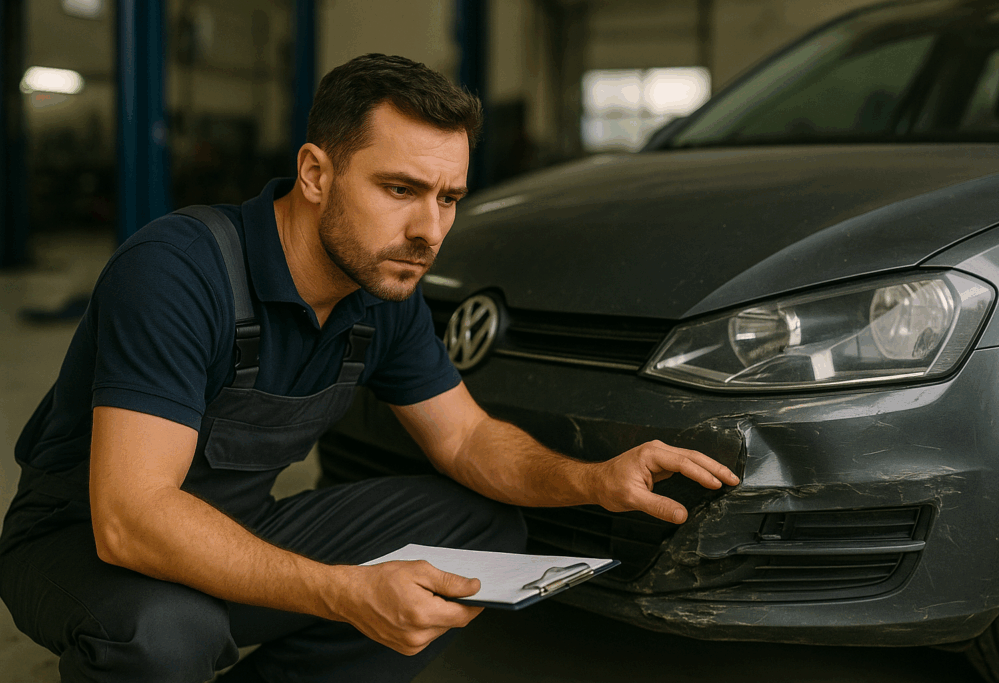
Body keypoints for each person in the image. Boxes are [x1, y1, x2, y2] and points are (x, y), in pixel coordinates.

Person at [0, 54, 740, 683]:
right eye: (400, 189)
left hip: (239, 526)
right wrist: (348, 592)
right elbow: (131, 518)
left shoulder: (381, 290)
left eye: (449, 197)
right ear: (316, 172)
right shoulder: (179, 271)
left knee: (480, 528)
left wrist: (593, 480)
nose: (429, 231)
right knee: (166, 630)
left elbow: (464, 441)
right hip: (80, 542)